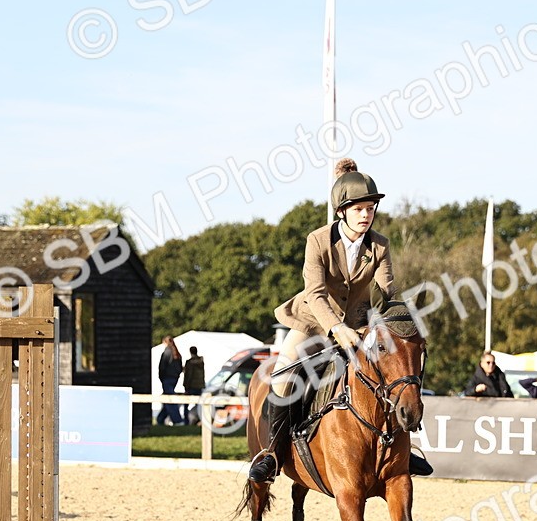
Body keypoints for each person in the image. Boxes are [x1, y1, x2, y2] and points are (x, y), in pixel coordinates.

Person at [249, 158, 432, 482]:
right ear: (342, 211)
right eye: (359, 209)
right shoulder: (318, 241)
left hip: (361, 325)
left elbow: (387, 292)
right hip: (313, 323)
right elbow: (316, 293)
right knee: (281, 377)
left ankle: (403, 452)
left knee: (395, 369)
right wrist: (337, 328)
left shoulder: (380, 245)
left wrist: (399, 318)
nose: (366, 215)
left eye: (370, 209)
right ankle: (273, 456)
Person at [157, 336, 183, 426]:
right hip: (174, 378)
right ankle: (160, 419)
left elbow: (162, 366)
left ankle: (177, 420)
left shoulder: (167, 352)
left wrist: (161, 377)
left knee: (169, 399)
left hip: (167, 378)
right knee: (167, 397)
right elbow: (180, 367)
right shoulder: (176, 353)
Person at [182, 346, 206, 425]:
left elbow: (188, 375)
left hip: (191, 386)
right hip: (199, 386)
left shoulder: (189, 362)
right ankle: (199, 420)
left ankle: (186, 422)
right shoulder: (201, 362)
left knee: (186, 404)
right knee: (199, 405)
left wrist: (185, 385)